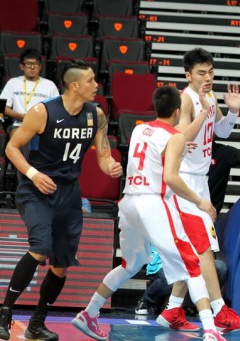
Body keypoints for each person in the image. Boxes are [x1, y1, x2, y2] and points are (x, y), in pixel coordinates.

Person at [71, 85, 227, 341]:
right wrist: (200, 201)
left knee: (131, 263)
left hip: (129, 203)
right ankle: (210, 330)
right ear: (178, 111)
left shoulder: (139, 129)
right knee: (192, 264)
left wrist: (177, 145)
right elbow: (171, 178)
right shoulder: (174, 138)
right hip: (154, 204)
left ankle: (90, 312)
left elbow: (160, 150)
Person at [0, 60, 123, 341]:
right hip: (36, 189)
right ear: (75, 85)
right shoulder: (42, 112)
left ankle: (36, 323)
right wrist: (32, 173)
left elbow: (103, 155)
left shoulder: (96, 115)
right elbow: (12, 147)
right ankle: (4, 313)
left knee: (61, 263)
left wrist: (110, 167)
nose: (96, 85)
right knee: (40, 246)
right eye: (91, 80)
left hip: (68, 193)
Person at [161, 48, 240, 334]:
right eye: (201, 73)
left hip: (200, 178)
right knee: (204, 250)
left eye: (211, 71)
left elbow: (221, 133)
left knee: (193, 250)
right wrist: (199, 116)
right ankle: (219, 311)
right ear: (188, 75)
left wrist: (234, 110)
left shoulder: (210, 97)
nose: (208, 77)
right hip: (184, 181)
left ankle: (172, 309)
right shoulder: (184, 99)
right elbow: (179, 136)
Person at [0, 48, 59, 137]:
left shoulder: (50, 85)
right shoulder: (13, 82)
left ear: (40, 66)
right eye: (28, 64)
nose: (32, 67)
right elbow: (2, 107)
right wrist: (22, 117)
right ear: (22, 66)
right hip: (19, 125)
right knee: (17, 136)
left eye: (35, 64)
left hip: (43, 126)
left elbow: (56, 109)